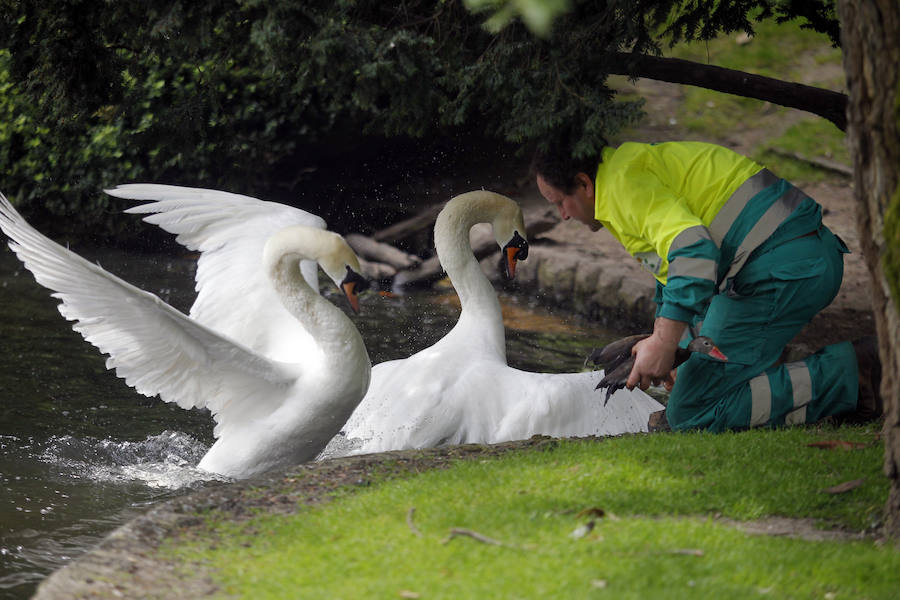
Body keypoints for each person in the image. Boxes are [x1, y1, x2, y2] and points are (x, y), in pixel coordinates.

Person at [532, 139, 882, 431]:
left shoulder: (624, 188)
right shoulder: (625, 172)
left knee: (690, 414)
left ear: (584, 184)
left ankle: (853, 372)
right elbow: (677, 274)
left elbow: (693, 250)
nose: (563, 215)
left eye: (561, 202)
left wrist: (667, 341)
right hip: (786, 260)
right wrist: (669, 345)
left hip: (784, 269)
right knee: (686, 382)